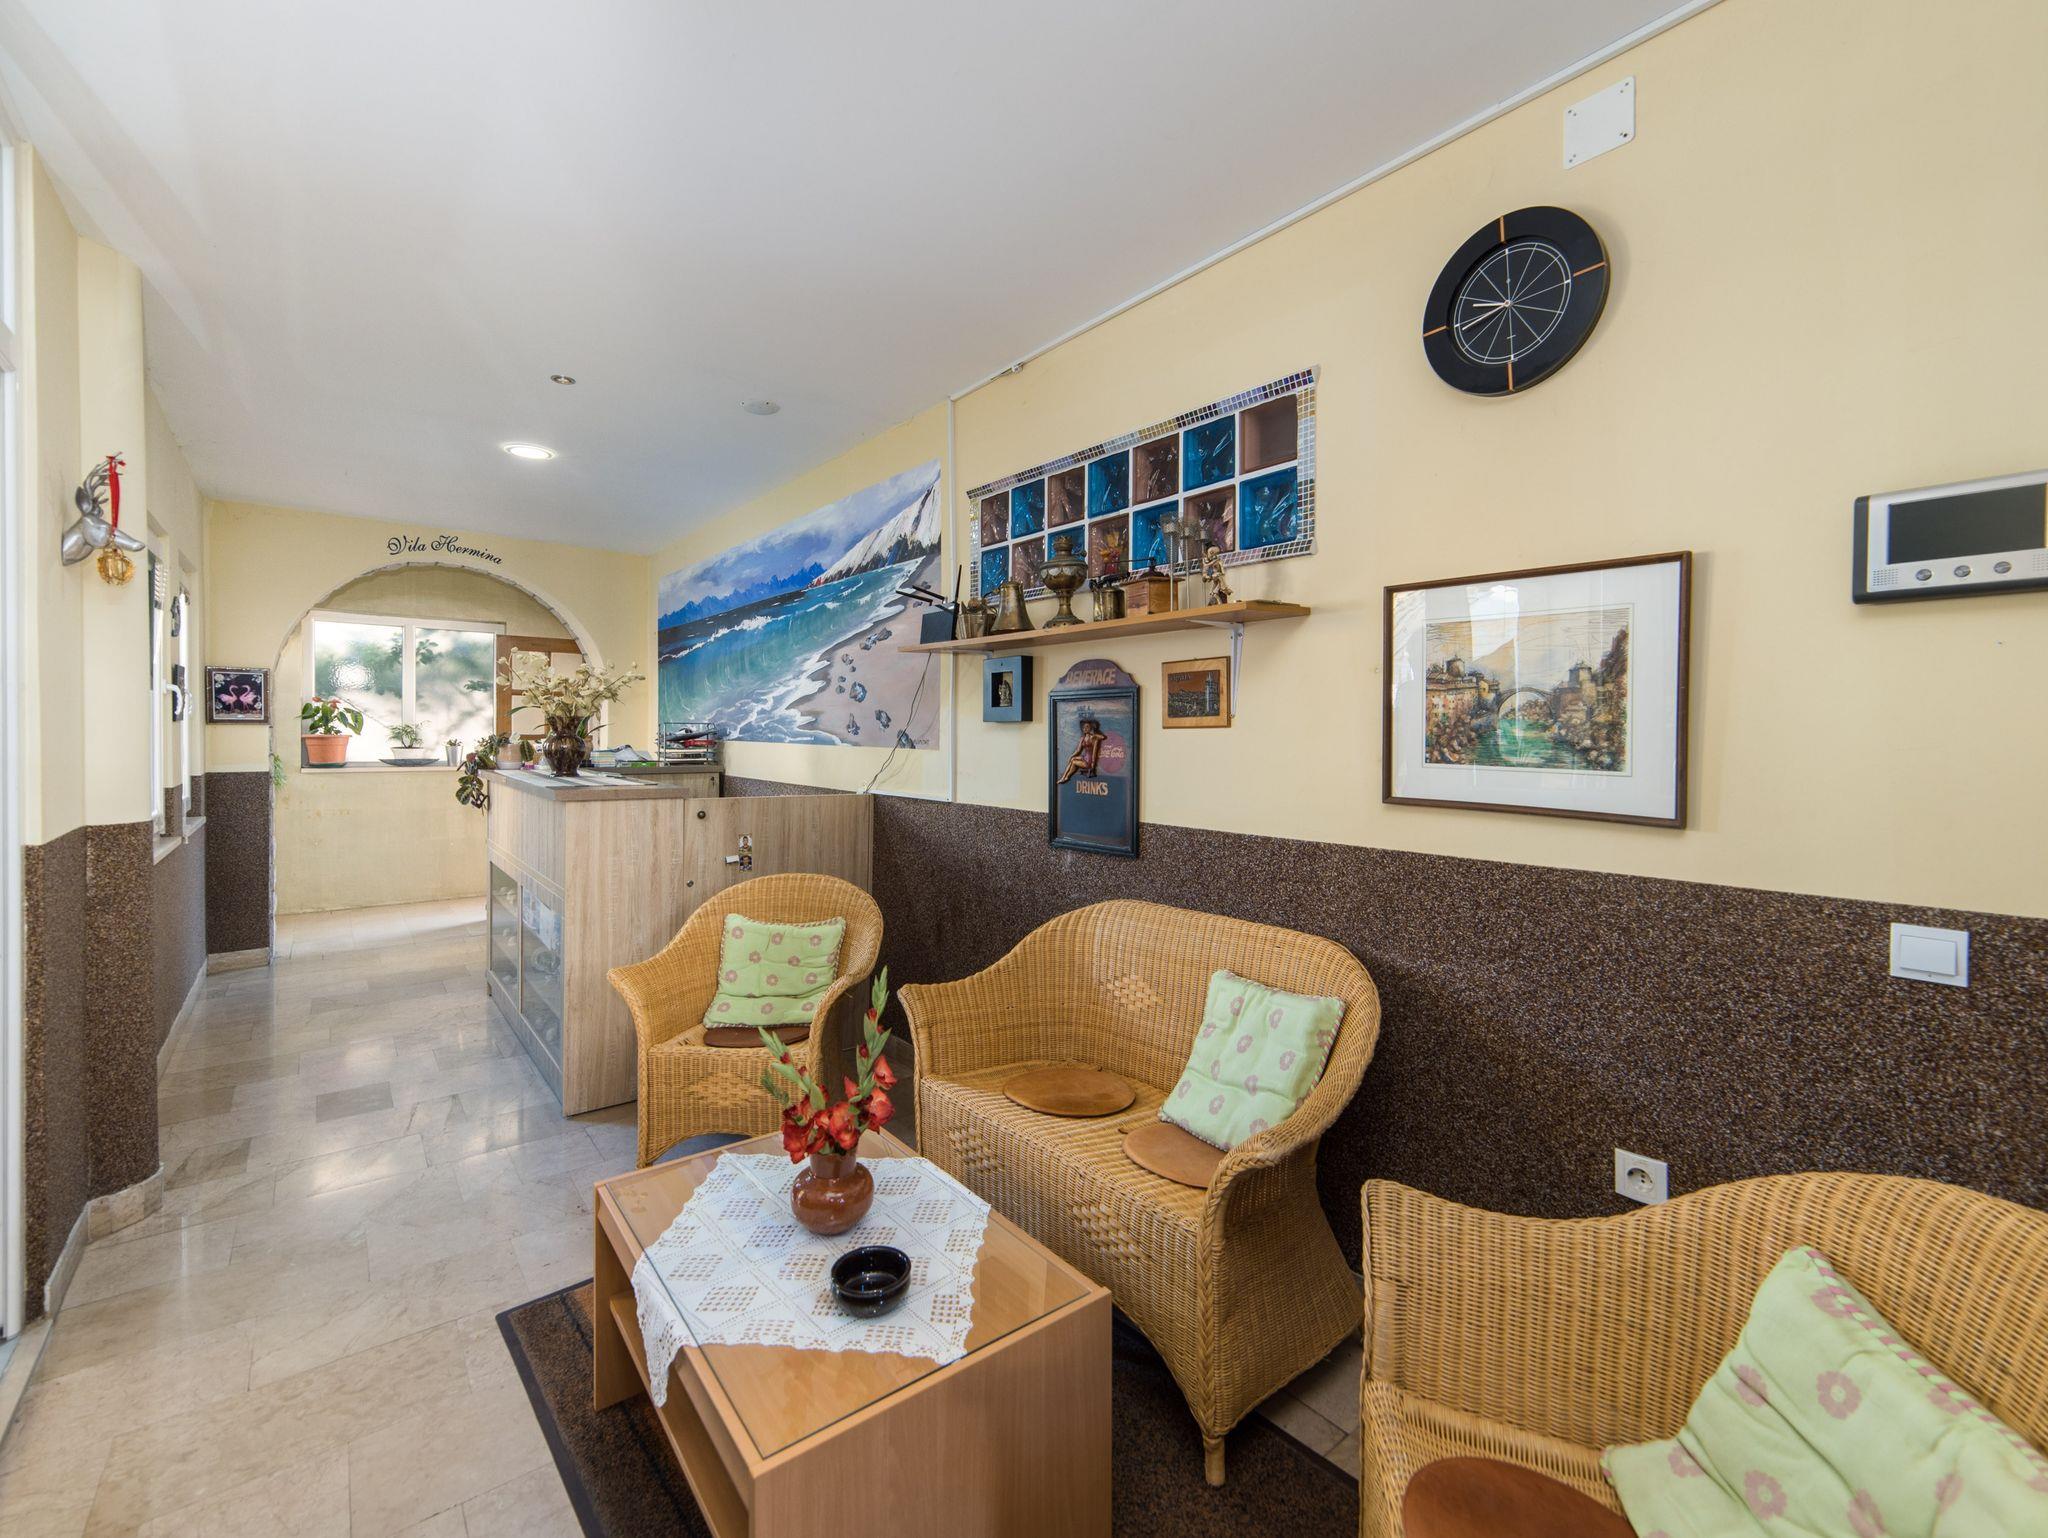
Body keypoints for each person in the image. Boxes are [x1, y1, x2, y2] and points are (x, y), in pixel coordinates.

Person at [1057, 717, 1107, 785]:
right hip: (1084, 757)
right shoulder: (1082, 738)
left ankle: (1066, 777)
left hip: (1088, 761)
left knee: (1073, 762)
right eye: (1084, 727)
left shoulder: (1094, 738)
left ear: (1091, 728)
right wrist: (1071, 756)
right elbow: (1078, 750)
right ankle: (1064, 777)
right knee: (1072, 759)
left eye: (1087, 727)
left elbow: (1102, 739)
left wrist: (1093, 764)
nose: (1085, 729)